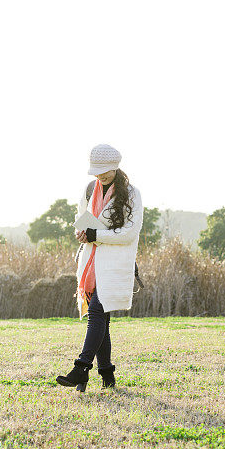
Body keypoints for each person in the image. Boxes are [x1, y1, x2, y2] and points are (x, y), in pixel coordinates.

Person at [56, 143, 143, 392]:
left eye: (105, 171)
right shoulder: (89, 189)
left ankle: (81, 368)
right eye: (97, 171)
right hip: (90, 263)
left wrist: (97, 235)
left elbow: (130, 233)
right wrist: (82, 234)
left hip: (115, 264)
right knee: (101, 319)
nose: (101, 175)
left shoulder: (132, 194)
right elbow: (81, 220)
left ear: (116, 167)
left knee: (96, 313)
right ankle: (107, 373)